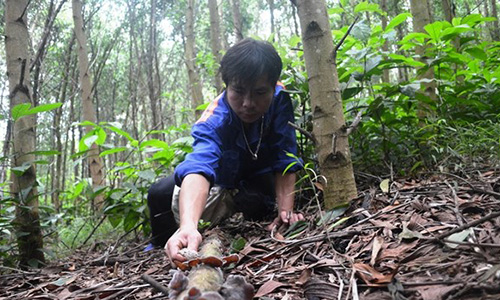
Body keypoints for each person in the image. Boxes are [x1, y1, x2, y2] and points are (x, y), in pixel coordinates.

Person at [147, 38, 304, 263]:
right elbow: (200, 165)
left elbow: (285, 152)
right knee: (159, 192)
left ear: (273, 87)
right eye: (238, 92)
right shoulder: (214, 120)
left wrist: (286, 212)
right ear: (226, 86)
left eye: (259, 93)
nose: (248, 103)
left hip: (257, 175)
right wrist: (188, 226)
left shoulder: (280, 99)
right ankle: (162, 243)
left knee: (256, 202)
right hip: (220, 177)